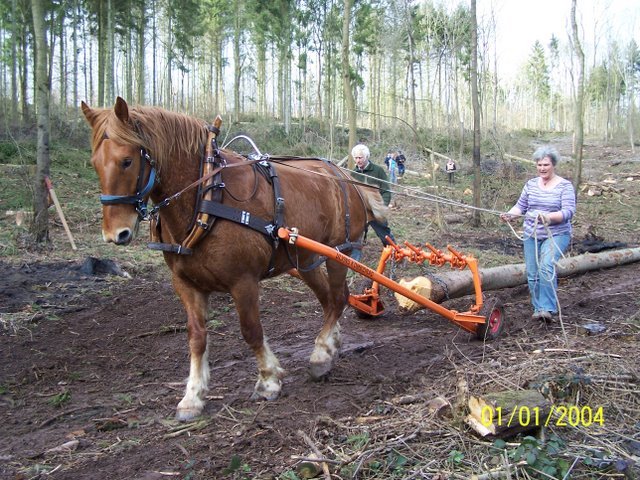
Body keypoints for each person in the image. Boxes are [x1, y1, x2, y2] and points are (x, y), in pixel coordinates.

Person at [500, 146, 576, 321]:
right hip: (531, 234)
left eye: (546, 165)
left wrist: (549, 217)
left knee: (546, 266)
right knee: (533, 273)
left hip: (556, 234)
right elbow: (521, 206)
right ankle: (538, 308)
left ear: (553, 165)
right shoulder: (531, 184)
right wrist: (510, 215)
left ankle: (548, 309)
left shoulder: (564, 186)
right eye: (539, 165)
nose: (542, 168)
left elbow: (568, 212)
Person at [350, 144, 395, 260]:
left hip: (375, 210)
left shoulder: (378, 171)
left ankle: (394, 253)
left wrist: (382, 206)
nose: (358, 160)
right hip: (360, 211)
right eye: (355, 158)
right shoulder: (353, 174)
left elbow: (386, 190)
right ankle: (354, 262)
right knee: (356, 235)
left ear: (367, 157)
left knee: (384, 233)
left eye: (360, 157)